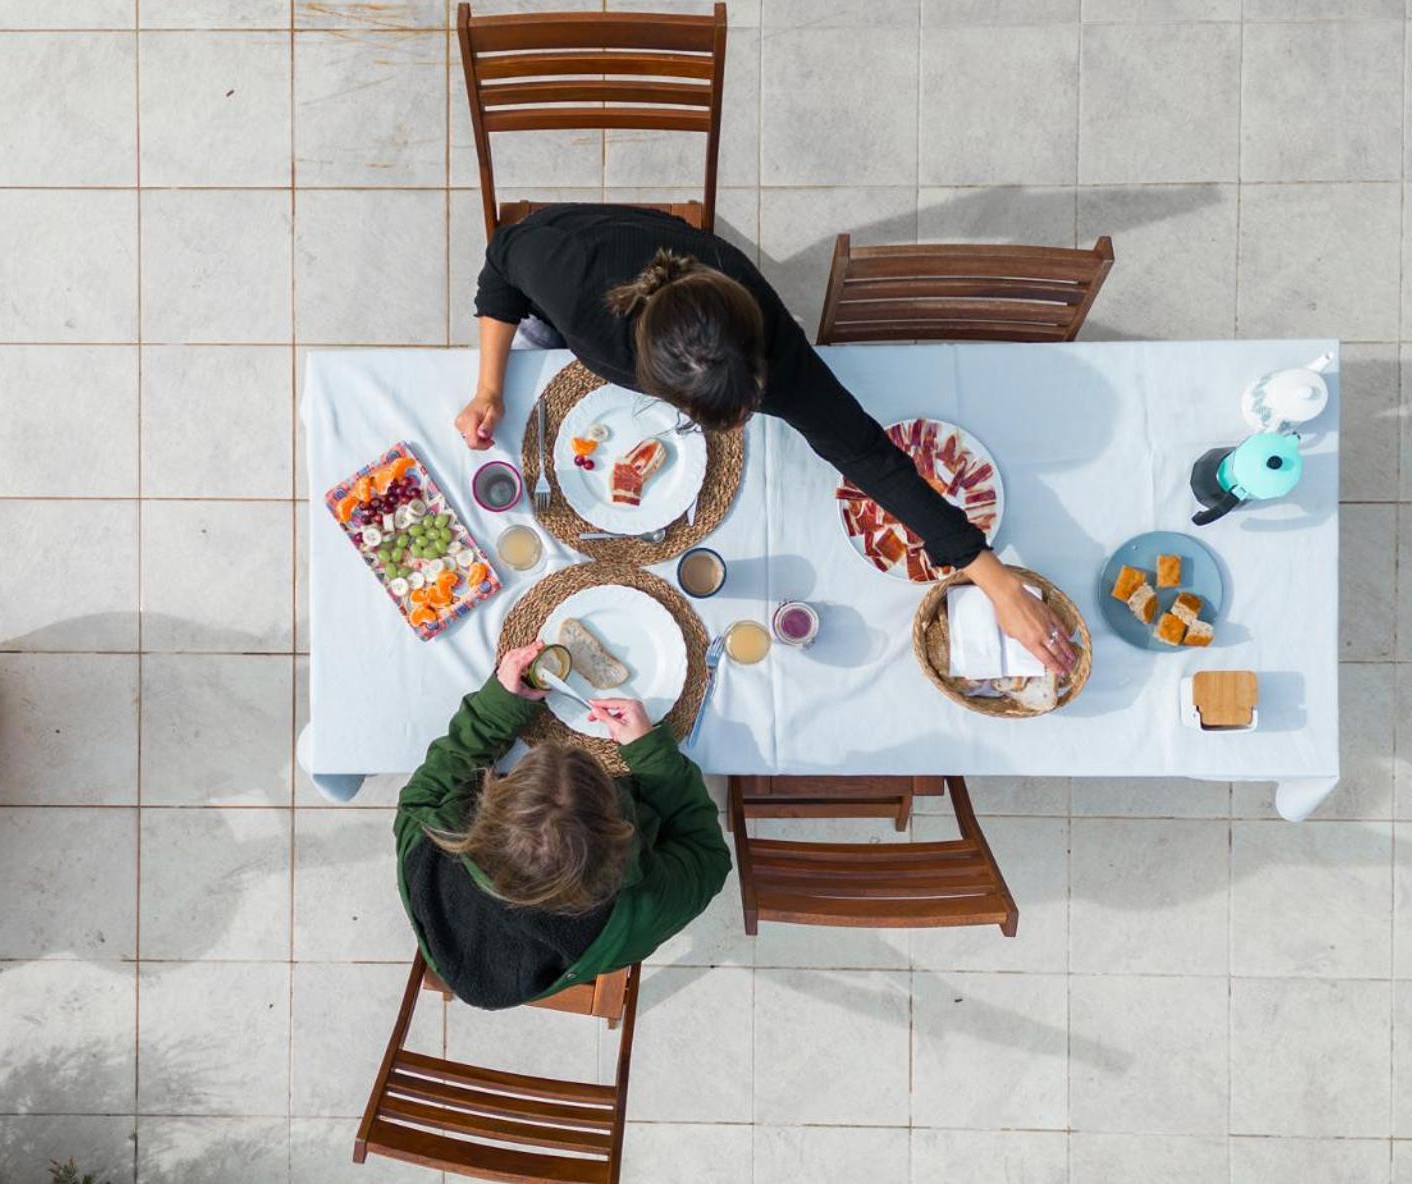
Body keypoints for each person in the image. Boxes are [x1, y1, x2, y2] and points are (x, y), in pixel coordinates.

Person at [455, 202, 1078, 676]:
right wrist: (488, 390)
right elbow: (500, 262)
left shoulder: (772, 347)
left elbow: (866, 454)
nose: (751, 414)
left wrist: (995, 581)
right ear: (656, 386)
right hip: (583, 266)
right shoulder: (567, 273)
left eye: (753, 402)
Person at [393, 641, 731, 1009]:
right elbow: (709, 857)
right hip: (571, 955)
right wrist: (650, 754)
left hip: (475, 962)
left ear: (490, 803)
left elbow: (423, 792)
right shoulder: (641, 905)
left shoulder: (427, 841)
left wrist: (497, 707)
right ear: (620, 827)